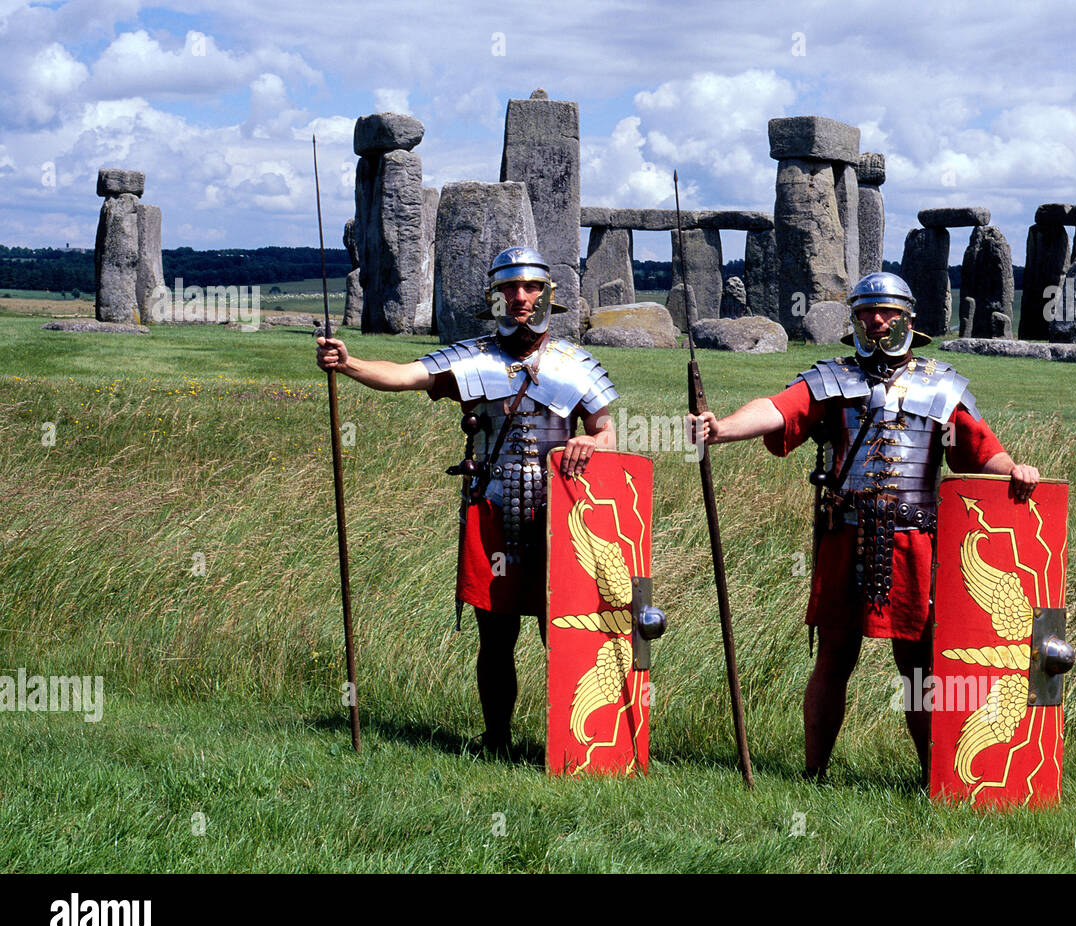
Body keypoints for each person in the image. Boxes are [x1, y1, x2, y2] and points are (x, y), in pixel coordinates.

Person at [690, 272, 1039, 784]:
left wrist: (1014, 472)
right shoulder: (832, 379)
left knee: (918, 668)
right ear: (853, 319)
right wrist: (721, 429)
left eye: (887, 313)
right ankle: (813, 774)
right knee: (834, 656)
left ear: (908, 320)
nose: (876, 321)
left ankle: (935, 778)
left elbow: (980, 448)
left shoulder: (940, 385)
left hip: (915, 543)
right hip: (845, 537)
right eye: (865, 313)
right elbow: (777, 409)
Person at [316, 246, 618, 755]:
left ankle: (571, 747)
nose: (519, 298)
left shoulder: (576, 364)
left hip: (561, 519)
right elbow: (405, 375)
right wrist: (350, 364)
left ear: (547, 297)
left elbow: (606, 430)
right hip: (493, 510)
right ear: (493, 299)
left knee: (566, 636)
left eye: (530, 288)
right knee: (495, 637)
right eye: (508, 289)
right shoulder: (472, 357)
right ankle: (497, 739)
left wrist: (591, 442)